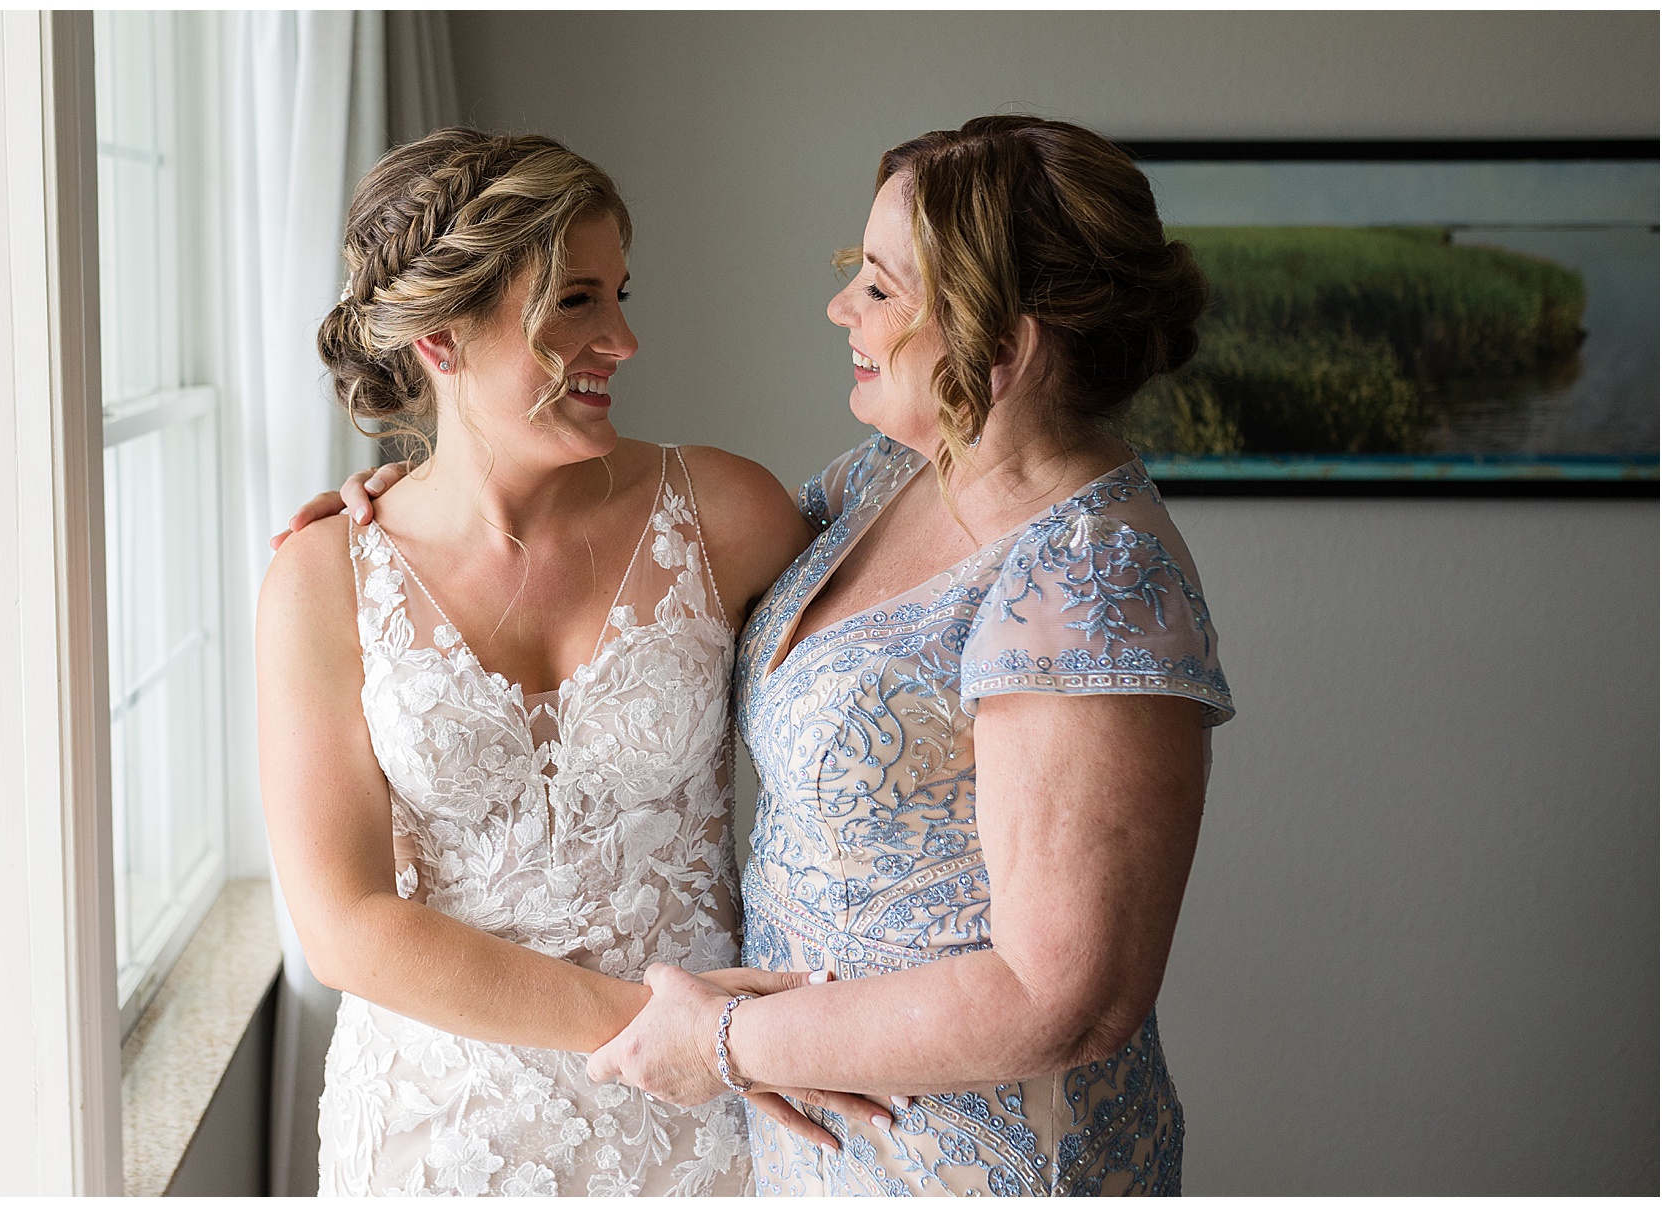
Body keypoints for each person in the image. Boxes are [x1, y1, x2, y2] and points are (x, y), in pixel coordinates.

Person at [299, 114, 1235, 1196]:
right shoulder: (877, 487)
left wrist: (727, 1042)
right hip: (722, 1136)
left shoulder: (1092, 577)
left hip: (952, 1154)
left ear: (1003, 345)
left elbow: (1067, 993)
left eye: (880, 288)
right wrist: (392, 526)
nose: (843, 308)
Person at [257, 127, 884, 1198]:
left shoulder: (727, 514)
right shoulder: (324, 577)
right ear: (441, 337)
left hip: (696, 1136)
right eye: (578, 302)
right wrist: (666, 1024)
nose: (626, 339)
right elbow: (346, 928)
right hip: (435, 1134)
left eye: (621, 294)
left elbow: (879, 696)